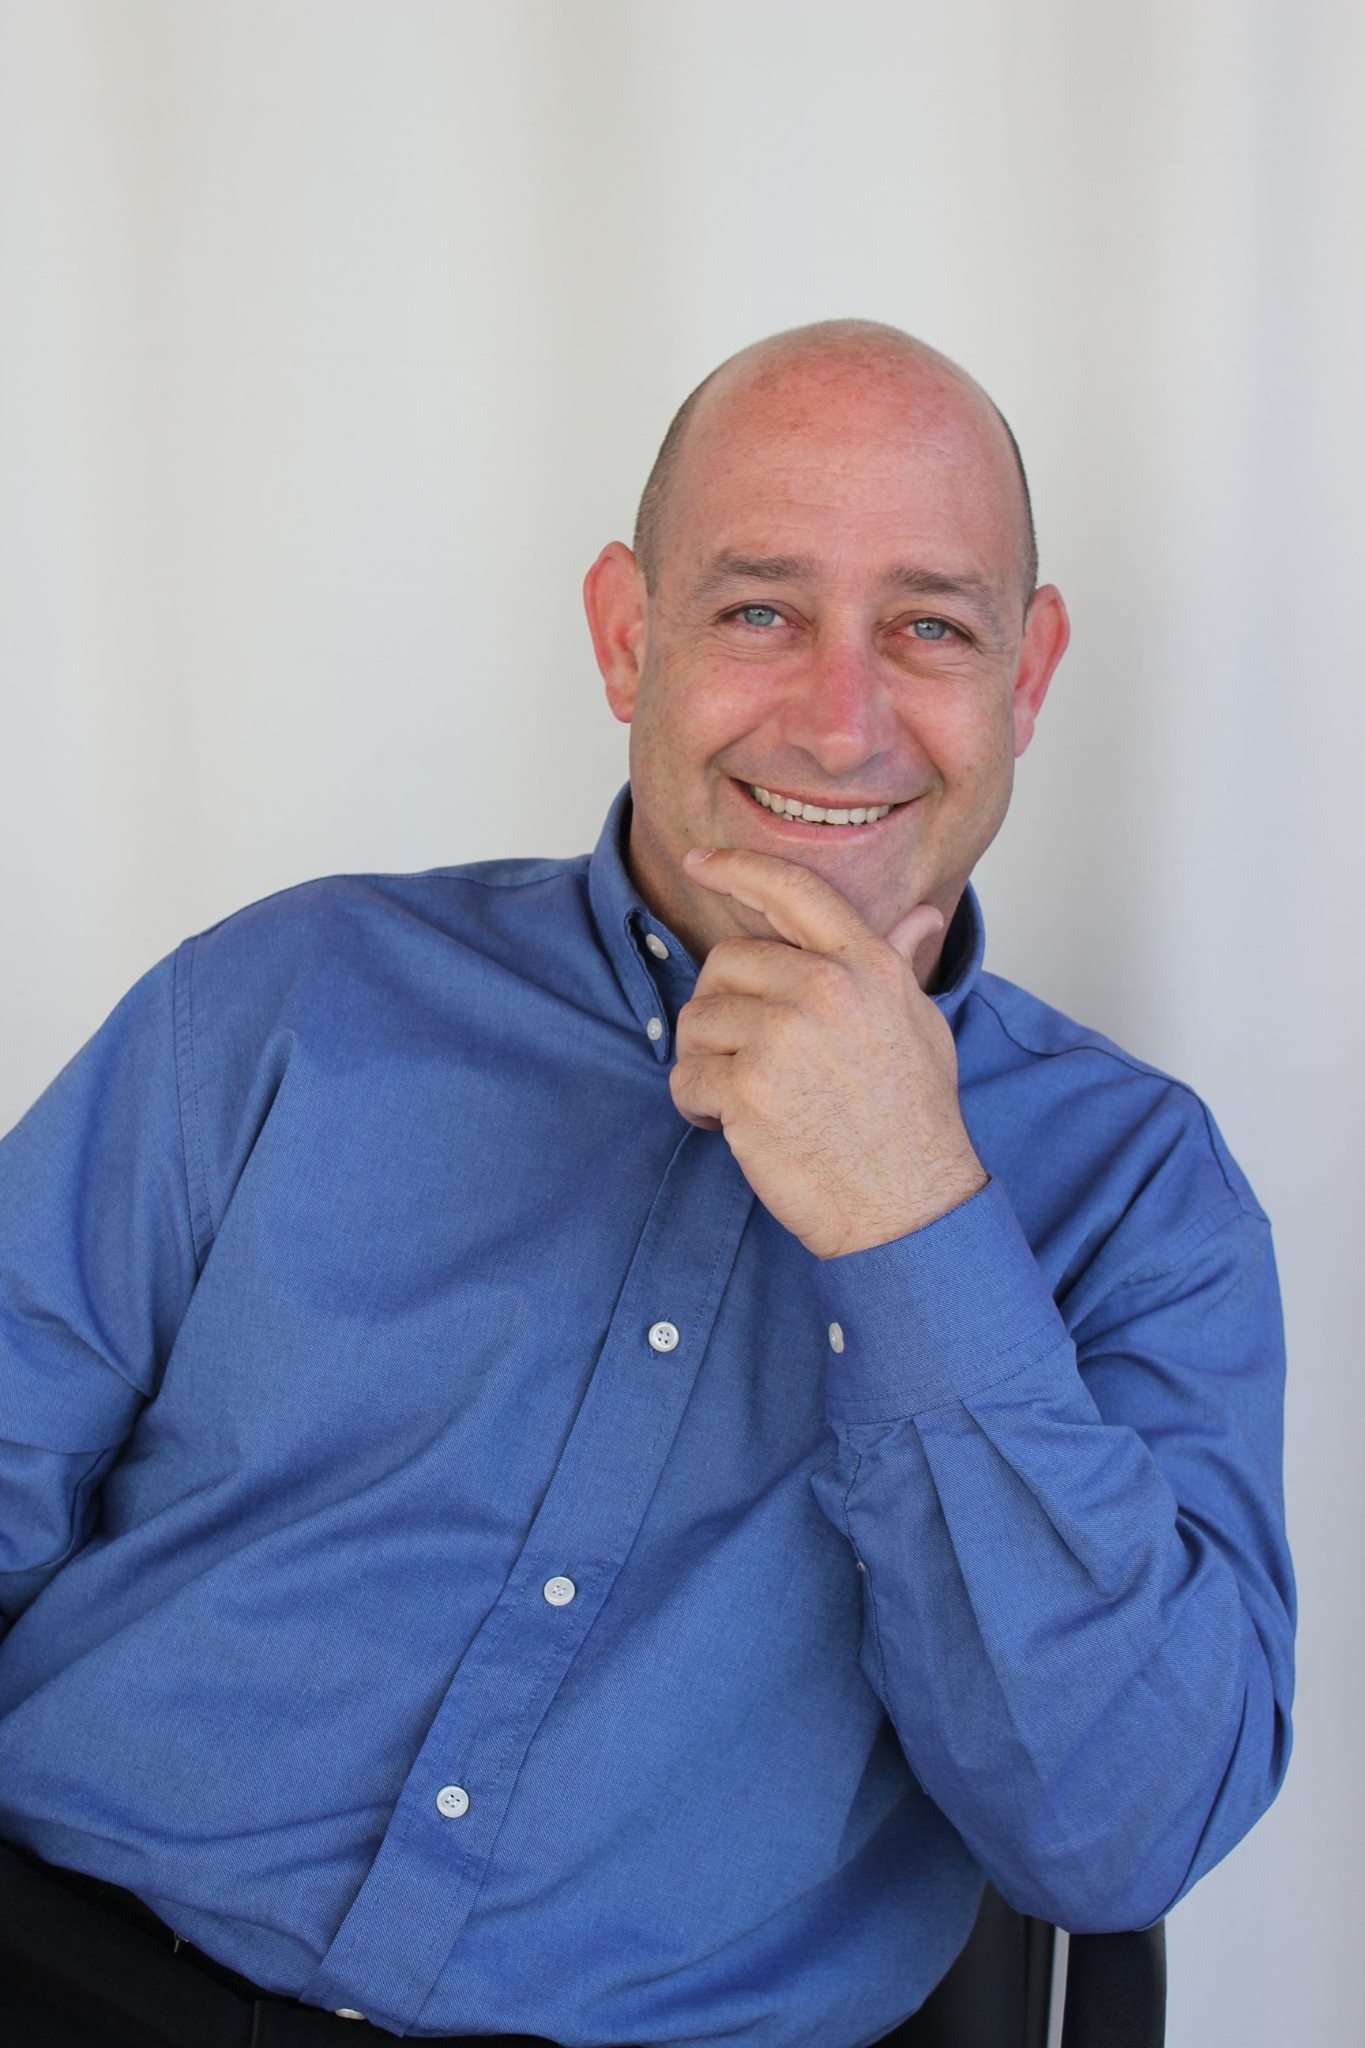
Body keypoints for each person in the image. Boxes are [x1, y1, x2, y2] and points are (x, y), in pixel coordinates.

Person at [0, 320, 1295, 2047]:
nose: (839, 723)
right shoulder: (281, 1001)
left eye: (928, 626)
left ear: (1027, 675)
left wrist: (912, 1221)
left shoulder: (1143, 1198)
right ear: (628, 637)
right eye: (758, 610)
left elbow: (1119, 1835)